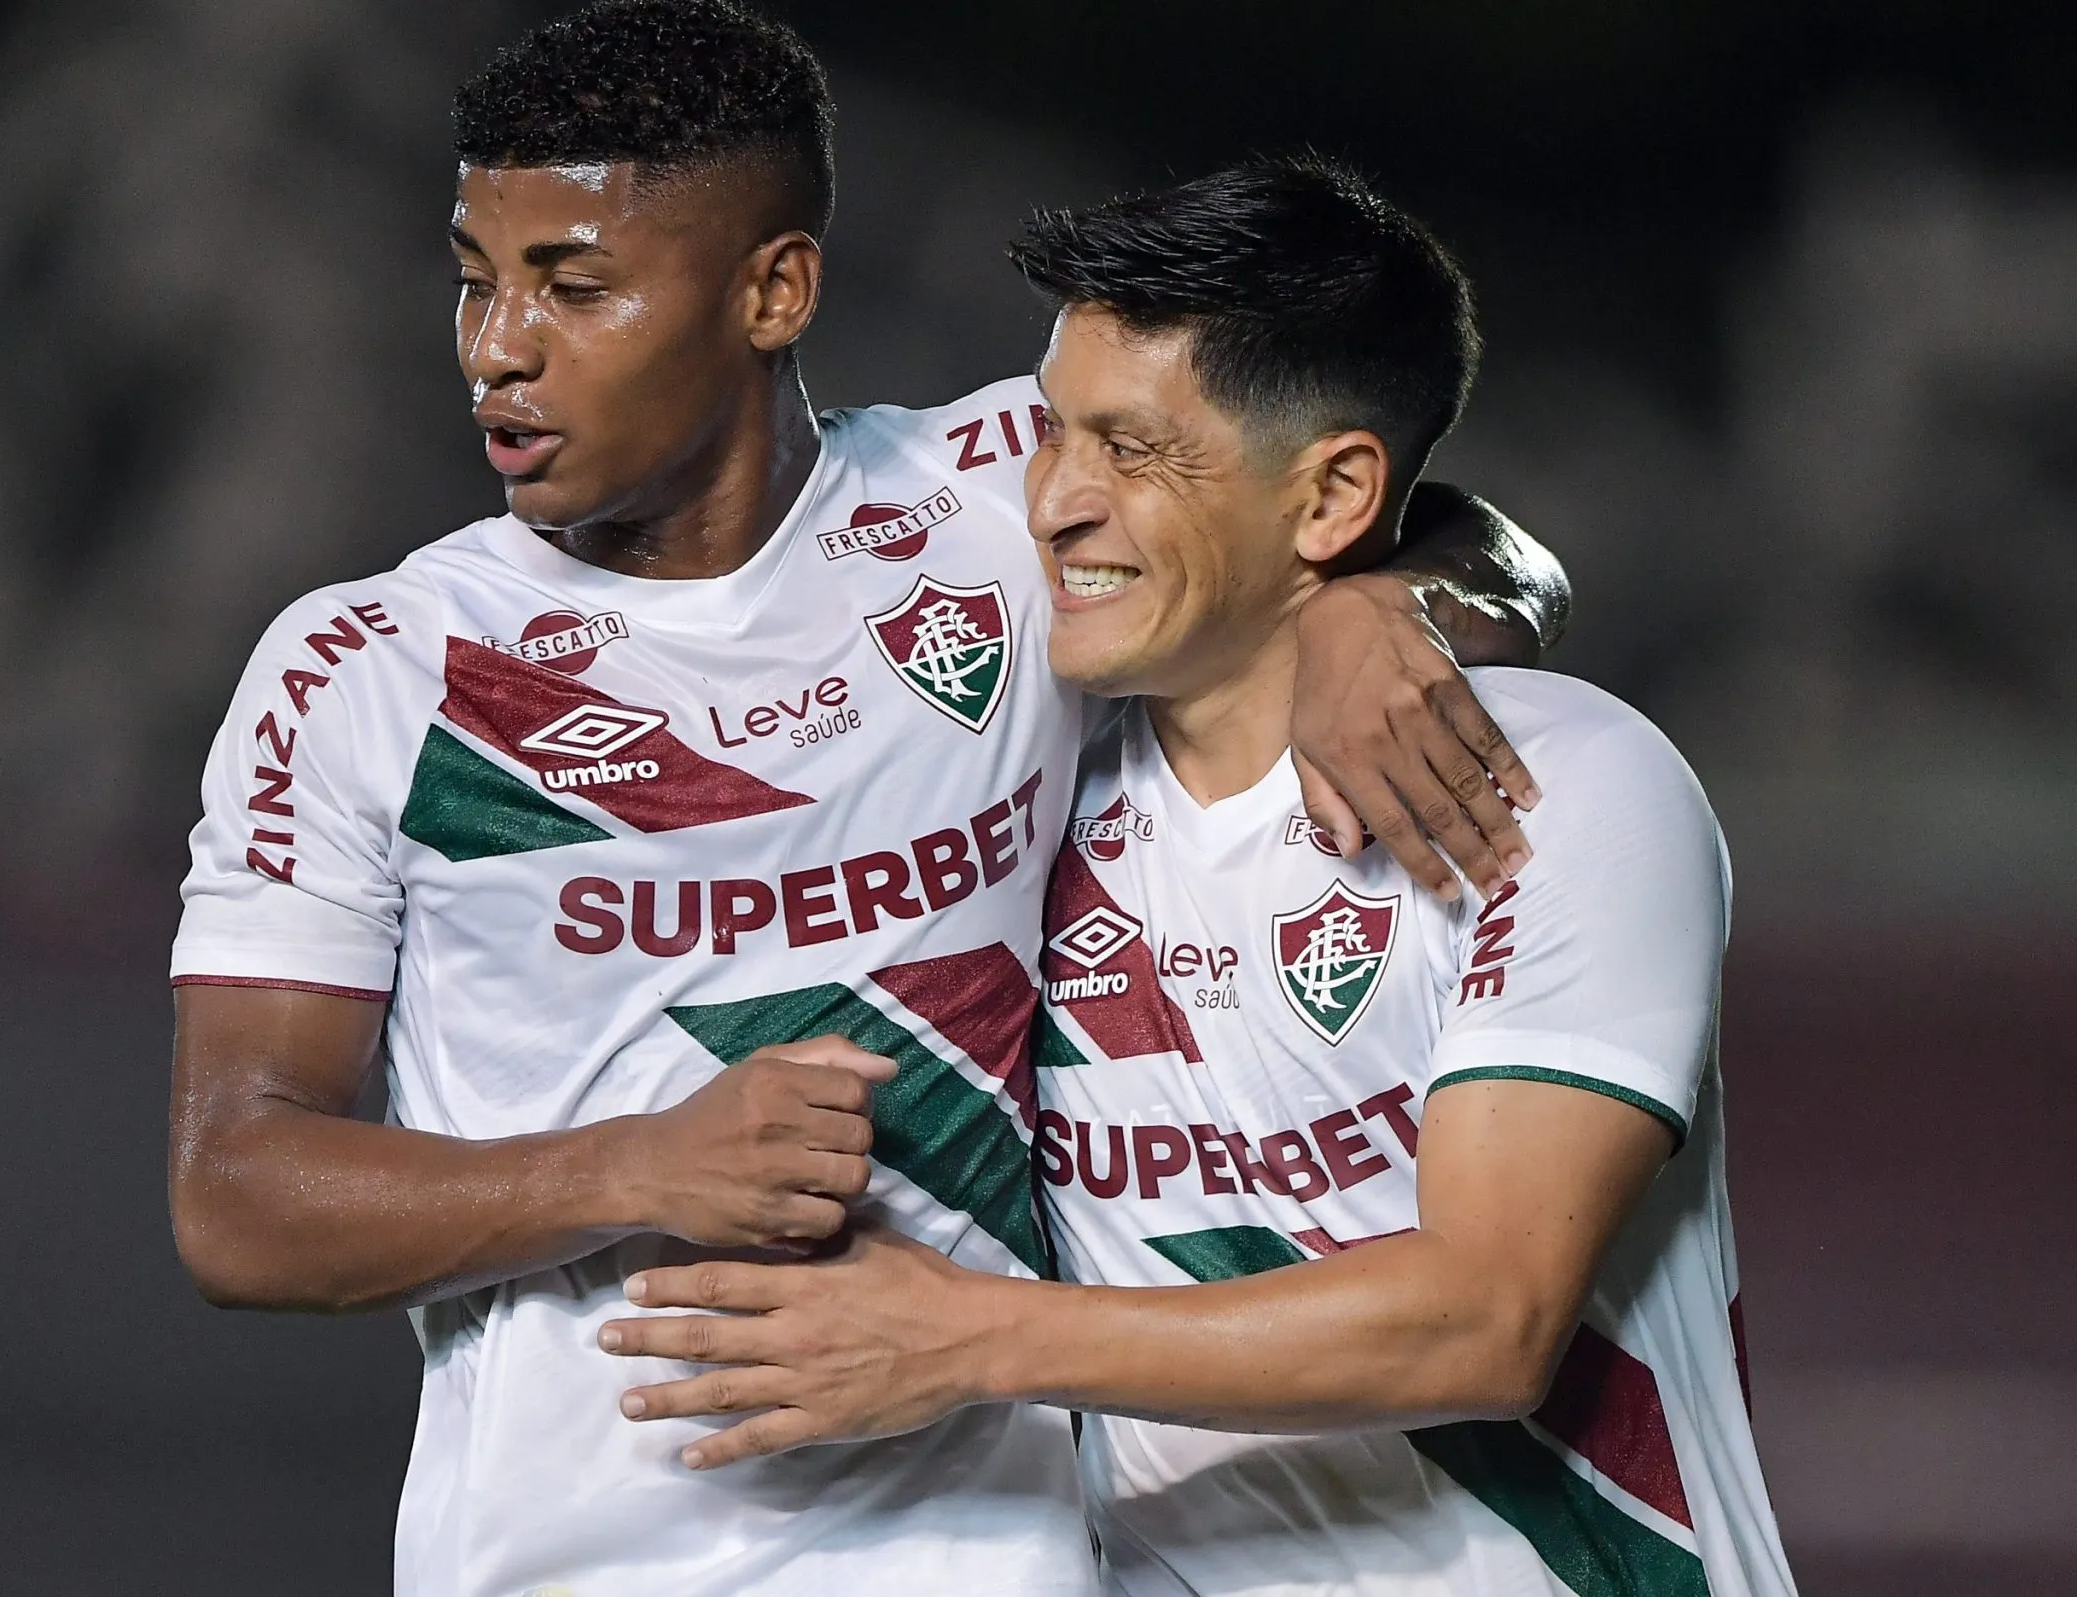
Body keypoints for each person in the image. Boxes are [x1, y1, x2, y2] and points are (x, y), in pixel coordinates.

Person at [167, 4, 1566, 1593]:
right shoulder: (372, 670)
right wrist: (628, 1168)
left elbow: (1440, 524)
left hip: (996, 1550)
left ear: (776, 289)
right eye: (477, 279)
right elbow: (236, 1194)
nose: (498, 346)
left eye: (576, 284)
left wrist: (1395, 608)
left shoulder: (992, 500)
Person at [601, 158, 1797, 1597]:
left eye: (1135, 451)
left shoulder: (1559, 787)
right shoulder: (1016, 802)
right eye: (1052, 439)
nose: (1053, 505)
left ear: (1335, 495)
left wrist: (962, 1338)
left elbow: (1484, 1322)